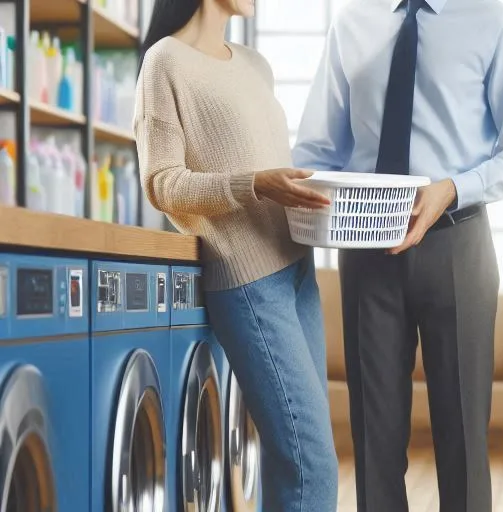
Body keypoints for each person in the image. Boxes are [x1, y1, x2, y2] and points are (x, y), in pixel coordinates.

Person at [292, 0, 503, 511]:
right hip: (366, 245)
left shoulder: (495, 22)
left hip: (458, 243)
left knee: (461, 440)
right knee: (374, 439)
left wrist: (452, 188)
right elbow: (317, 150)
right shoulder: (351, 23)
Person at [135, 1, 338, 510]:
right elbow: (162, 183)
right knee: (310, 462)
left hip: (297, 270)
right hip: (248, 283)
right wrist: (253, 185)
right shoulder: (166, 62)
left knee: (294, 457)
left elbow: (274, 169)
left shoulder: (255, 65)